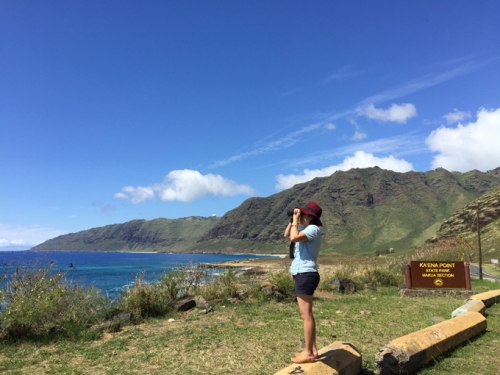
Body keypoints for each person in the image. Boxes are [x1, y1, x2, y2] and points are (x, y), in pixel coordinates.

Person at [284, 201, 323, 364]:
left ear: (309, 216)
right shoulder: (305, 230)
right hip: (302, 273)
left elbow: (293, 236)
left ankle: (308, 353)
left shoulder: (313, 229)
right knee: (307, 315)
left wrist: (295, 220)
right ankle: (313, 350)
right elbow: (288, 234)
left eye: (302, 214)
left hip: (306, 274)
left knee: (305, 316)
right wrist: (292, 219)